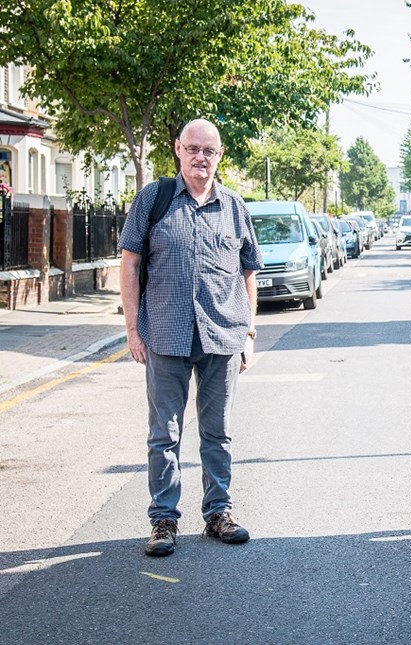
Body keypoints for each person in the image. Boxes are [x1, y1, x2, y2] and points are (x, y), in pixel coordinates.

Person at [118, 118, 263, 557]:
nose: (201, 157)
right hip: (165, 333)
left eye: (210, 151)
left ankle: (218, 512)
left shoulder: (234, 206)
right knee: (165, 433)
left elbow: (248, 271)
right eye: (193, 148)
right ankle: (163, 519)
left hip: (222, 335)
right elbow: (128, 263)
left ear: (220, 156)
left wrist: (250, 332)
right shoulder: (154, 199)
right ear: (178, 150)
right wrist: (131, 329)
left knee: (217, 432)